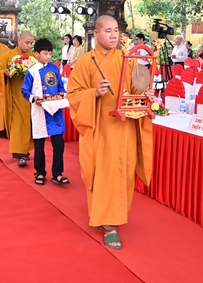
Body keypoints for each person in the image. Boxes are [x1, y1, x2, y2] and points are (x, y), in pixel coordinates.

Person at [66, 15, 154, 250]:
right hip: (101, 130)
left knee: (123, 174)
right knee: (103, 174)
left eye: (116, 30)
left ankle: (115, 215)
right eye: (108, 31)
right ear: (96, 34)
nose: (114, 35)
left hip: (125, 129)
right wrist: (93, 93)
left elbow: (137, 89)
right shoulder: (86, 62)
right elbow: (73, 95)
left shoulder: (128, 60)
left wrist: (146, 95)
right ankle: (109, 225)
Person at [22, 38, 69, 186]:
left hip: (55, 111)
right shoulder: (31, 71)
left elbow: (60, 86)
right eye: (45, 53)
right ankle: (40, 172)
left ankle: (57, 173)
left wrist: (61, 94)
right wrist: (33, 98)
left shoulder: (54, 69)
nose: (48, 56)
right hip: (39, 112)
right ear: (36, 54)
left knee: (59, 144)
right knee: (39, 145)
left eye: (50, 54)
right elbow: (24, 90)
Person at [0, 31, 35, 165]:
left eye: (31, 43)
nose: (29, 46)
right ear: (19, 40)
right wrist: (5, 73)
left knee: (29, 124)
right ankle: (20, 153)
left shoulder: (33, 57)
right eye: (27, 42)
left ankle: (26, 149)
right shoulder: (8, 56)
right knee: (18, 123)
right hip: (15, 96)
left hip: (30, 97)